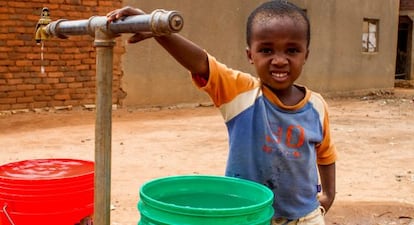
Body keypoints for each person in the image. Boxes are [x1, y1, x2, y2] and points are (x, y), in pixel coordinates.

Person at [107, 1, 337, 224]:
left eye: (292, 50)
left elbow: (325, 154)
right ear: (250, 55)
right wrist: (158, 29)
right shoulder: (240, 93)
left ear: (305, 55)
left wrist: (328, 194)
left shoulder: (316, 106)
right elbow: (200, 62)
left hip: (305, 217)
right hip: (246, 217)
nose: (279, 60)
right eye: (266, 50)